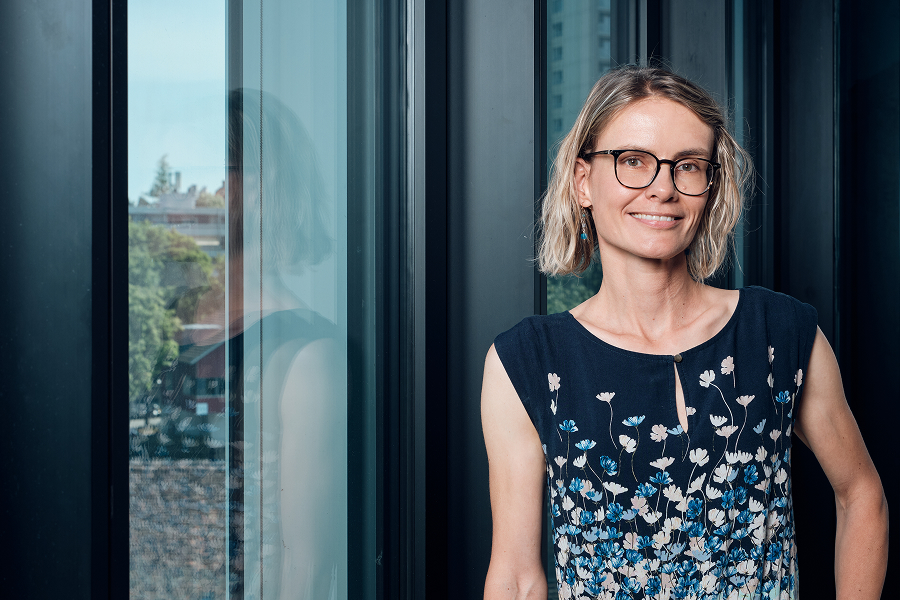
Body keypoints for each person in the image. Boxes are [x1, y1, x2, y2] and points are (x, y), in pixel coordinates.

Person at [481, 65, 888, 600]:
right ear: (583, 181)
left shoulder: (782, 333)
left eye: (688, 167)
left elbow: (861, 495)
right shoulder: (527, 360)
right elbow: (516, 576)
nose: (663, 189)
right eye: (632, 162)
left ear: (710, 187)